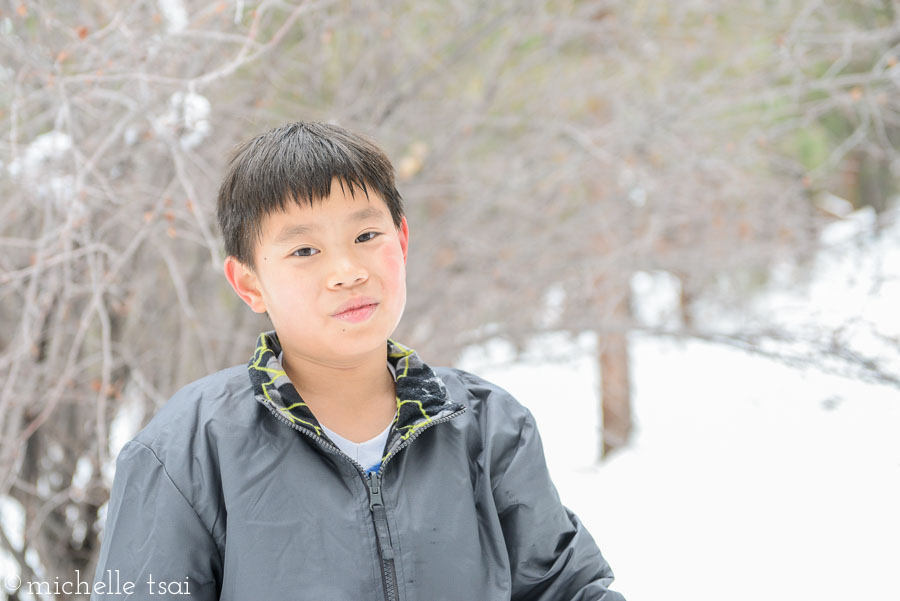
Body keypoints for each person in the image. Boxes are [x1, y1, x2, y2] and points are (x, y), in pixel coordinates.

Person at [92, 121, 626, 601]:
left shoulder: (485, 425)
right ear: (249, 283)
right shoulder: (187, 449)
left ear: (402, 241)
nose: (347, 271)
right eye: (304, 251)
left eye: (366, 236)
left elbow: (566, 588)